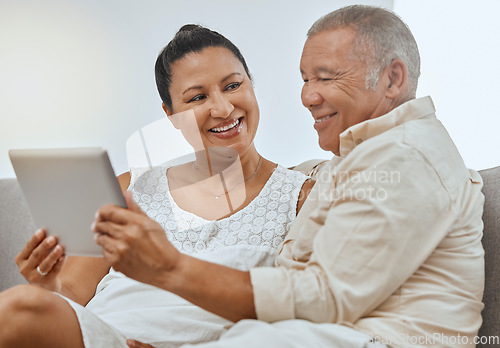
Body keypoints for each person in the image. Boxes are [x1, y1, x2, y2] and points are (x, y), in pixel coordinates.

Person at [116, 5, 483, 348]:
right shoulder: (362, 156)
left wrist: (170, 268)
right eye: (306, 78)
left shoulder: (403, 158)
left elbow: (324, 298)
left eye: (326, 77)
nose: (307, 96)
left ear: (393, 79)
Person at [0, 25, 314, 347]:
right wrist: (46, 283)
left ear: (252, 86)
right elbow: (72, 294)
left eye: (233, 85)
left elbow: (310, 312)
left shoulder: (302, 199)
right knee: (25, 303)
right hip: (97, 336)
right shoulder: (130, 189)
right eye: (198, 97)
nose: (222, 109)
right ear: (172, 116)